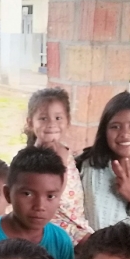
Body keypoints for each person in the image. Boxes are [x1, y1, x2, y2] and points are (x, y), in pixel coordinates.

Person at [76, 91, 130, 242]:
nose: (125, 134)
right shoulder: (86, 165)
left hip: (122, 258)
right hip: (82, 252)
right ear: (104, 131)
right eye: (115, 127)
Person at [24, 87, 93, 245]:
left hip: (76, 225)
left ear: (67, 121)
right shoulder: (30, 160)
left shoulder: (65, 152)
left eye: (58, 118)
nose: (51, 124)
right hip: (51, 225)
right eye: (43, 118)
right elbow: (54, 193)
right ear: (30, 122)